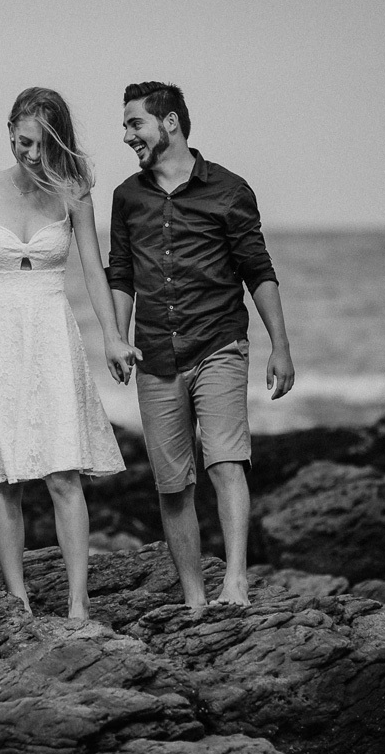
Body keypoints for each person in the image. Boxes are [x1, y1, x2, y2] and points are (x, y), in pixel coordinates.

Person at [0, 87, 138, 619]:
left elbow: (93, 270)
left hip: (52, 331)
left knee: (64, 472)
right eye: (23, 142)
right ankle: (16, 599)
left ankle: (78, 601)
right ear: (10, 132)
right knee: (6, 476)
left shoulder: (74, 195)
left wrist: (112, 335)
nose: (32, 155)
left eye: (43, 145)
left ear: (57, 142)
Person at [107, 81, 295, 608]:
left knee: (226, 461)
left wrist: (280, 345)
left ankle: (235, 580)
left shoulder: (230, 190)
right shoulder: (127, 197)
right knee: (172, 485)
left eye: (134, 123)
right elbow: (120, 272)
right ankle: (194, 599)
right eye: (125, 126)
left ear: (169, 122)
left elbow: (258, 270)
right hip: (154, 354)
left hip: (219, 342)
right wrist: (116, 338)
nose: (127, 136)